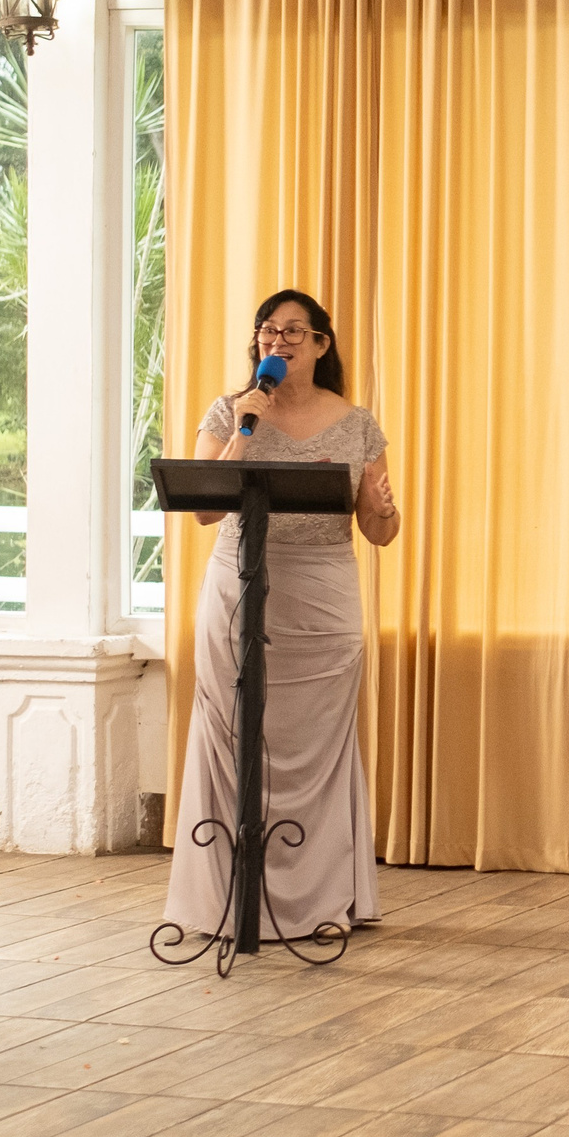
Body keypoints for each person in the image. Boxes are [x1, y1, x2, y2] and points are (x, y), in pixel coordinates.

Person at [164, 289, 401, 941]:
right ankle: (225, 900)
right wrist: (246, 426)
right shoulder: (230, 412)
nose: (280, 341)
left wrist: (382, 507)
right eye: (270, 330)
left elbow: (379, 531)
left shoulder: (356, 423)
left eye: (296, 331)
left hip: (322, 595)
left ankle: (317, 902)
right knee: (233, 732)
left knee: (315, 745)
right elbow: (209, 509)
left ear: (322, 344)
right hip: (239, 585)